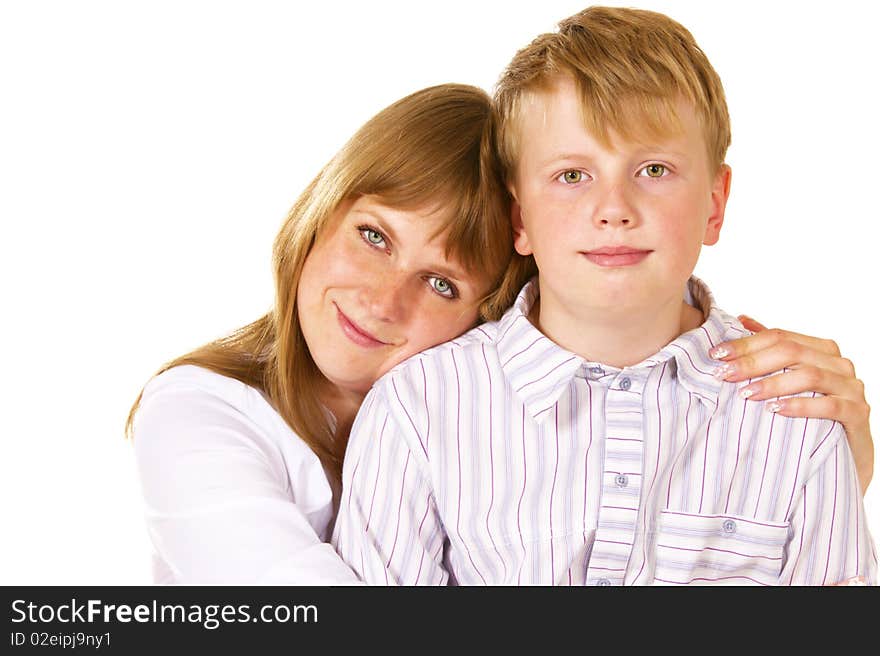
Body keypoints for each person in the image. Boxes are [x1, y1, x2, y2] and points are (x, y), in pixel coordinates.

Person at [332, 6, 877, 585]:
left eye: (654, 170)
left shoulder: (797, 411)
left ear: (715, 205)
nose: (614, 209)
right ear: (520, 217)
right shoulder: (420, 408)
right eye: (573, 175)